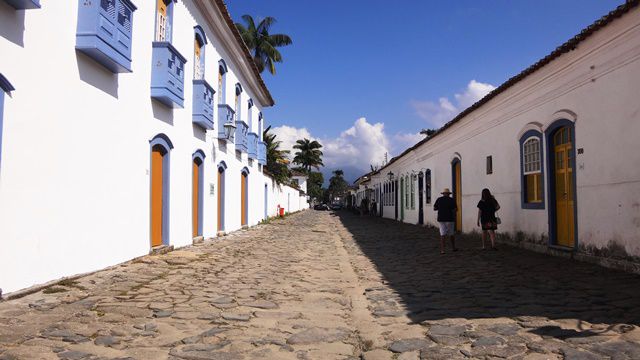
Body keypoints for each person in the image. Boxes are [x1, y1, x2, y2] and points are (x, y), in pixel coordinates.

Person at [434, 188, 457, 254]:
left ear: (443, 194)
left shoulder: (439, 199)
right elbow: (455, 209)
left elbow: (435, 208)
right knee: (451, 234)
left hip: (441, 219)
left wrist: (440, 208)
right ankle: (453, 247)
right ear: (449, 194)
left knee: (442, 234)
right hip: (449, 218)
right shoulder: (452, 200)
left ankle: (442, 250)